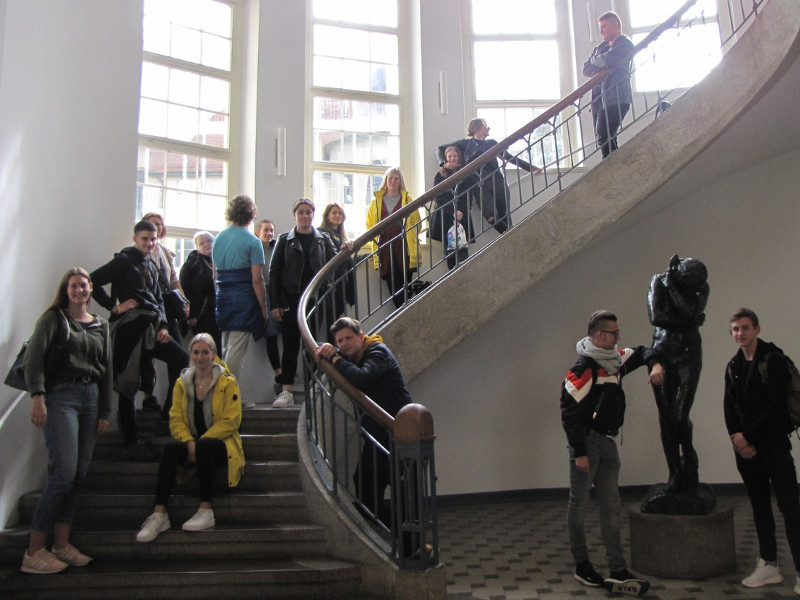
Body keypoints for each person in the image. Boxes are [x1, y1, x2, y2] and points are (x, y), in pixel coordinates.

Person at [560, 310, 663, 595]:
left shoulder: (615, 361)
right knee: (578, 505)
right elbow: (569, 413)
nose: (619, 337)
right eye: (614, 333)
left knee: (611, 506)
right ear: (600, 336)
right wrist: (579, 452)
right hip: (587, 442)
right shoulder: (584, 369)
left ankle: (617, 569)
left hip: (607, 443)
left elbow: (643, 352)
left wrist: (654, 366)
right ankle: (582, 565)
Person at [20, 267, 112, 574]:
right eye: (74, 286)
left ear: (90, 288)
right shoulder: (53, 319)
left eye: (84, 285)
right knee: (62, 474)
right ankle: (34, 551)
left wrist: (104, 411)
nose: (80, 290)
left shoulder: (101, 325)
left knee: (79, 475)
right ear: (66, 289)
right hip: (61, 397)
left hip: (91, 399)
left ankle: (62, 545)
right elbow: (34, 359)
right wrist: (37, 396)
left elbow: (107, 370)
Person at [91, 219, 189, 459]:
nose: (149, 243)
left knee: (182, 359)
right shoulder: (124, 260)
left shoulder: (153, 265)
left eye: (153, 239)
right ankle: (130, 441)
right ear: (136, 239)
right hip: (130, 328)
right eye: (145, 239)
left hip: (153, 326)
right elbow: (93, 280)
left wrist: (164, 326)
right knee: (128, 383)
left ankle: (167, 416)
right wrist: (114, 307)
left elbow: (160, 299)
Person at [136, 333, 245, 542]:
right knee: (170, 450)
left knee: (205, 445)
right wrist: (189, 441)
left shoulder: (228, 382)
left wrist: (201, 441)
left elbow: (231, 420)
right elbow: (175, 418)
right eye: (196, 352)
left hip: (223, 446)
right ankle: (160, 513)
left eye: (205, 352)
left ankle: (206, 509)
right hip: (194, 442)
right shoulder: (182, 383)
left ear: (213, 355)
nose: (200, 357)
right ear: (191, 355)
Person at [724, 308, 800, 593]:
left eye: (745, 327)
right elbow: (729, 407)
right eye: (735, 329)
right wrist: (737, 439)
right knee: (759, 507)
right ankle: (769, 565)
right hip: (746, 452)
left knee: (790, 508)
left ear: (757, 328)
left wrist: (748, 437)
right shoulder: (733, 365)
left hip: (774, 448)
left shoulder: (774, 360)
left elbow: (776, 406)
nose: (740, 333)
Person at [314, 317, 412, 527]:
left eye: (348, 338)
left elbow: (361, 377)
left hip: (397, 433)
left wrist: (336, 359)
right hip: (379, 433)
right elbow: (317, 354)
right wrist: (331, 350)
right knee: (364, 484)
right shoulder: (353, 357)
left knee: (399, 492)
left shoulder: (378, 352)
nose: (344, 343)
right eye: (339, 341)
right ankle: (387, 536)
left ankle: (408, 544)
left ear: (361, 337)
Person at [648, 255, 709, 493]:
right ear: (680, 273)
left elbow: (690, 310)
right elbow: (656, 317)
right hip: (662, 354)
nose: (692, 287)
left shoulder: (699, 286)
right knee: (666, 417)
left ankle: (689, 455)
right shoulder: (658, 281)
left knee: (679, 416)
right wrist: (691, 322)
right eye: (686, 282)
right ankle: (674, 472)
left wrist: (673, 287)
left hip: (688, 355)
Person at [268, 199, 337, 407]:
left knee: (312, 344)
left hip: (315, 301)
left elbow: (336, 263)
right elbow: (274, 274)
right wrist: (275, 304)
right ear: (294, 214)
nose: (305, 216)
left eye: (308, 212)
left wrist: (346, 246)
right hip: (290, 301)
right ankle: (286, 391)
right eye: (301, 212)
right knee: (290, 344)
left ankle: (313, 389)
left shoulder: (323, 239)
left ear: (313, 214)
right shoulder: (284, 240)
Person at [437, 118, 541, 234]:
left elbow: (508, 157)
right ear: (478, 127)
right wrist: (444, 164)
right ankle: (511, 235)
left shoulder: (492, 143)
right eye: (486, 125)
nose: (488, 127)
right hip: (479, 184)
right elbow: (440, 149)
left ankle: (511, 239)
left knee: (505, 214)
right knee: (490, 216)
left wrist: (529, 167)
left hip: (497, 181)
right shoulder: (465, 144)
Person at [212, 194, 268, 409]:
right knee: (235, 353)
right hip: (243, 297)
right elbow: (257, 279)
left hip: (223, 295)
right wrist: (263, 307)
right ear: (251, 215)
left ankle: (225, 395)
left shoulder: (218, 238)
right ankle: (227, 399)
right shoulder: (252, 241)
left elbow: (215, 275)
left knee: (226, 348)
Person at [365, 168, 421, 308]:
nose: (393, 181)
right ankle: (404, 316)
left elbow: (417, 224)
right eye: (390, 178)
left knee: (405, 287)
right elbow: (370, 225)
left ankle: (405, 316)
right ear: (386, 180)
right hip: (384, 249)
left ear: (400, 181)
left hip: (404, 248)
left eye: (396, 178)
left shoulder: (408, 200)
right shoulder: (375, 203)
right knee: (394, 290)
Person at [583, 11, 634, 158]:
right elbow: (586, 68)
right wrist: (601, 61)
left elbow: (608, 60)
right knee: (605, 137)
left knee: (604, 134)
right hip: (599, 100)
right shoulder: (602, 48)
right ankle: (614, 166)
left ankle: (611, 167)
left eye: (604, 26)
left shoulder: (625, 44)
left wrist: (597, 61)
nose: (601, 31)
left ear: (616, 25)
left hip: (617, 96)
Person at [429, 145, 476, 270]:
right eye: (449, 156)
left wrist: (460, 211)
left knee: (462, 250)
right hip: (446, 216)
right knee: (449, 252)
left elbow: (468, 193)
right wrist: (453, 212)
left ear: (458, 157)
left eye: (455, 156)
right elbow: (439, 197)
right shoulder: (440, 175)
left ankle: (462, 275)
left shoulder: (465, 172)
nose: (452, 159)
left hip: (462, 215)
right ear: (445, 158)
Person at [318, 202, 356, 339]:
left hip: (341, 285)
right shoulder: (321, 233)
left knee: (336, 320)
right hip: (330, 285)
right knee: (330, 322)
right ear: (327, 216)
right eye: (334, 212)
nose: (337, 215)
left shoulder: (340, 236)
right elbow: (324, 259)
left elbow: (347, 260)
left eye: (340, 213)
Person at [179, 231, 221, 353]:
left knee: (218, 349)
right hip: (201, 314)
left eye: (209, 241)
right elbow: (185, 291)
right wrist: (192, 314)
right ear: (197, 247)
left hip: (217, 312)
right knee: (205, 348)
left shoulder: (217, 261)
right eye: (202, 243)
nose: (207, 245)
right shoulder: (192, 264)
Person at [257, 219, 282, 393]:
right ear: (258, 231)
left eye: (271, 230)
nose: (269, 233)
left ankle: (287, 370)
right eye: (266, 230)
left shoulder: (276, 247)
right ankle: (278, 373)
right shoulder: (254, 249)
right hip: (263, 294)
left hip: (278, 294)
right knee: (271, 333)